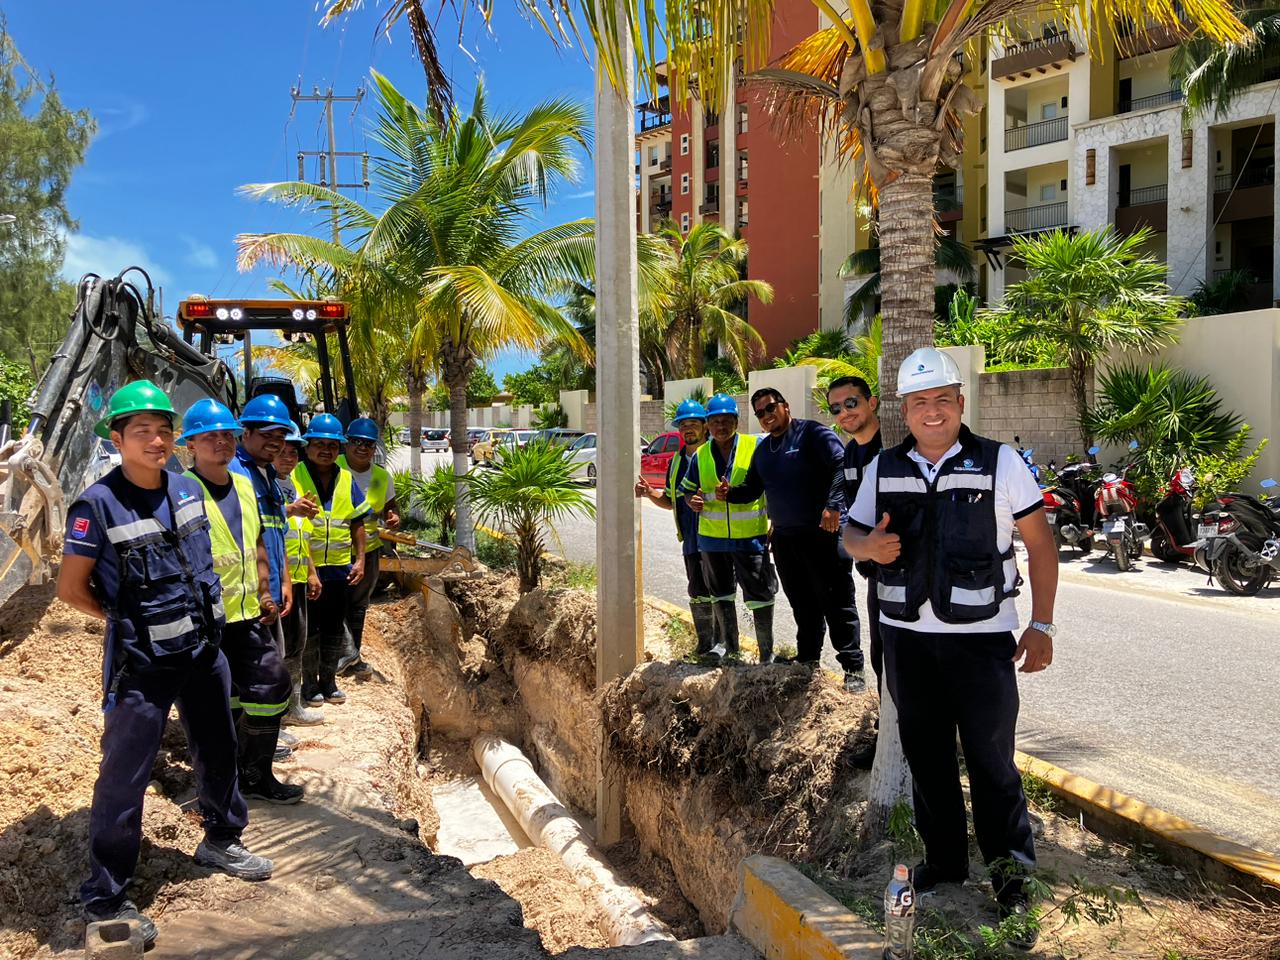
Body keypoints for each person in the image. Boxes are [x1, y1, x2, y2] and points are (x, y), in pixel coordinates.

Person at [843, 347, 1058, 949]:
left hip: (981, 643)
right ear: (904, 411)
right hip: (906, 640)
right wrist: (868, 550)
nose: (931, 412)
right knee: (929, 759)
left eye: (942, 400)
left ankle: (1014, 887)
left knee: (993, 766)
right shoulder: (882, 468)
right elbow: (852, 534)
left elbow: (1041, 546)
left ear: (961, 404)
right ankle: (945, 863)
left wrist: (1042, 626)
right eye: (919, 403)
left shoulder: (1002, 463)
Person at [57, 381, 273, 948]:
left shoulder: (186, 490)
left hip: (204, 652)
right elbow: (70, 588)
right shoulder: (96, 505)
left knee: (219, 744)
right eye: (142, 431)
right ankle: (105, 893)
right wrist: (126, 620)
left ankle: (222, 838)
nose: (156, 440)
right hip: (142, 666)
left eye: (163, 429)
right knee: (125, 776)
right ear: (118, 438)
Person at [179, 399, 304, 806]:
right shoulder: (181, 492)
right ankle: (223, 781)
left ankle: (255, 773)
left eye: (225, 436)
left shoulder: (247, 487)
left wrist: (266, 590)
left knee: (271, 685)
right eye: (210, 437)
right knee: (217, 703)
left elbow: (255, 543)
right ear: (190, 445)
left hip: (247, 612)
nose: (221, 443)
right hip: (205, 622)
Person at [722, 388, 865, 689]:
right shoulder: (763, 452)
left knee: (836, 601)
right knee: (803, 603)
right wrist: (729, 494)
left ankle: (853, 670)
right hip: (786, 541)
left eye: (770, 408)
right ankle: (808, 659)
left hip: (823, 535)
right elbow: (751, 489)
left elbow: (841, 466)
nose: (766, 415)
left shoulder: (812, 434)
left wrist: (833, 506)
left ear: (785, 406)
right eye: (759, 413)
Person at [679, 393, 778, 662]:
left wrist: (776, 521)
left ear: (736, 421)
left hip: (750, 538)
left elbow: (772, 486)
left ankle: (766, 653)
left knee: (760, 594)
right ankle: (730, 649)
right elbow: (686, 490)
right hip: (712, 539)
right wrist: (693, 501)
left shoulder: (755, 445)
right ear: (708, 425)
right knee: (720, 594)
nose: (720, 426)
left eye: (726, 420)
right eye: (715, 421)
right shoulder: (701, 455)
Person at [292, 413, 369, 706]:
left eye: (332, 445)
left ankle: (329, 681)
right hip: (305, 568)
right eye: (319, 444)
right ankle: (309, 685)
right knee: (310, 628)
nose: (326, 450)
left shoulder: (346, 479)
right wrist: (310, 571)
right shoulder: (295, 475)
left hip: (339, 568)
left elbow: (357, 521)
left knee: (335, 625)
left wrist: (360, 560)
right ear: (307, 446)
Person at [634, 399, 719, 656]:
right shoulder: (677, 461)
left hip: (718, 538)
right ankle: (705, 644)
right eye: (683, 425)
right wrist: (650, 492)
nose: (688, 429)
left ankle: (724, 645)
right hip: (692, 541)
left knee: (720, 591)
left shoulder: (718, 454)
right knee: (697, 590)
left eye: (693, 423)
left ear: (705, 426)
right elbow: (671, 501)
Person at [829, 375, 883, 691]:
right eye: (836, 408)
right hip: (875, 568)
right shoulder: (850, 453)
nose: (845, 413)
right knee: (881, 650)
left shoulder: (893, 445)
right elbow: (852, 506)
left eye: (851, 403)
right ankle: (889, 723)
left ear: (871, 402)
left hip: (905, 565)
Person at [336, 416, 401, 677]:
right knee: (334, 603)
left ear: (375, 448)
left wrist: (394, 516)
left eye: (368, 444)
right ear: (346, 444)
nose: (362, 448)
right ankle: (339, 654)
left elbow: (391, 507)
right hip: (335, 550)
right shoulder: (333, 466)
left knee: (359, 604)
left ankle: (352, 655)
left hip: (370, 550)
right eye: (356, 442)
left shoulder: (382, 477)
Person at [274, 422, 324, 727]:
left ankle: (291, 707)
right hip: (275, 583)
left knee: (295, 644)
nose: (288, 457)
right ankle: (274, 714)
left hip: (297, 579)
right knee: (275, 650)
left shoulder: (291, 483)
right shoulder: (260, 483)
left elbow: (300, 535)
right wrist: (290, 509)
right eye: (282, 451)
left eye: (293, 452)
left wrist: (311, 571)